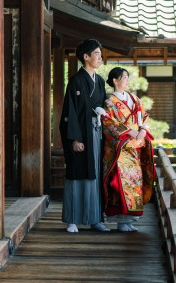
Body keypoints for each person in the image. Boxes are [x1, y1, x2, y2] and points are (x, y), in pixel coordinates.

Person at [59, 38, 111, 233]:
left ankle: (95, 218)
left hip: (96, 133)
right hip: (80, 133)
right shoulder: (75, 81)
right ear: (86, 57)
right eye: (96, 54)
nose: (100, 57)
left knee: (95, 174)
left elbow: (105, 106)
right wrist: (75, 139)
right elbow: (69, 111)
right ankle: (72, 219)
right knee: (77, 173)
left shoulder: (99, 81)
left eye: (100, 54)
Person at [101, 67, 156, 232]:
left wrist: (143, 130)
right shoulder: (109, 101)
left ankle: (130, 219)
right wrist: (130, 131)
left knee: (135, 182)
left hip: (135, 148)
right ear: (115, 80)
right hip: (120, 150)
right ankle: (121, 221)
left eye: (127, 77)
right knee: (120, 183)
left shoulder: (134, 98)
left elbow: (143, 116)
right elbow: (108, 122)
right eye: (124, 77)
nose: (127, 80)